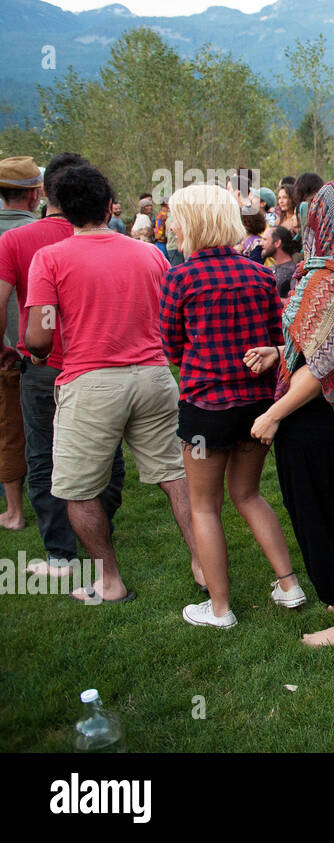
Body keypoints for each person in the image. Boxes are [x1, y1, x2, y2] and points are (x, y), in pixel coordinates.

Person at [25, 165, 199, 604]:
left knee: (78, 489)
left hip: (91, 382)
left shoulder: (50, 259)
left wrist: (41, 356)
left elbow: (39, 336)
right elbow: (169, 317)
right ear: (109, 206)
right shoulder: (149, 254)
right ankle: (203, 562)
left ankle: (109, 581)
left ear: (62, 212)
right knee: (176, 477)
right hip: (155, 377)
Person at [161, 185, 305, 628]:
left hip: (206, 408)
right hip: (258, 406)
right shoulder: (260, 274)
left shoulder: (180, 278)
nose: (172, 226)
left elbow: (171, 346)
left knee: (205, 506)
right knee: (248, 494)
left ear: (193, 223)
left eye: (177, 218)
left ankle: (220, 608)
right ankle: (288, 584)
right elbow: (275, 338)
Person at [246, 179, 334, 646]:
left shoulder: (324, 280)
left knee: (316, 518)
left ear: (321, 222)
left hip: (318, 420)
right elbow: (324, 350)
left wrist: (274, 413)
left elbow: (320, 368)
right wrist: (277, 351)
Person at [0, 154, 128, 575]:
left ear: (46, 193)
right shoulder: (108, 238)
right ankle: (99, 529)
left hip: (42, 363)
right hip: (99, 362)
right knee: (105, 451)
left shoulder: (16, 242)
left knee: (44, 454)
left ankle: (61, 553)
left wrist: (8, 348)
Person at [0, 156, 44, 531]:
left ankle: (14, 509)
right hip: (31, 350)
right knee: (25, 428)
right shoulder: (45, 234)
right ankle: (18, 509)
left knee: (8, 428)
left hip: (8, 348)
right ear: (34, 194)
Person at [262, 226, 298, 299]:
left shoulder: (294, 271)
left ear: (277, 243)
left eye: (265, 240)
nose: (261, 243)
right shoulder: (269, 269)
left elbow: (296, 301)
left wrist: (271, 299)